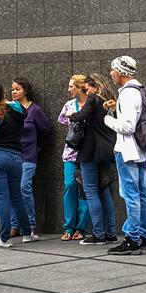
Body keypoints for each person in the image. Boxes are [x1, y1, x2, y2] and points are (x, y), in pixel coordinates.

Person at [104, 56, 146, 256]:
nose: (111, 74)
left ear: (121, 72)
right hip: (142, 151)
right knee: (142, 195)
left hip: (127, 152)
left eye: (112, 70)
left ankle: (132, 239)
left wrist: (108, 119)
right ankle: (145, 236)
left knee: (131, 196)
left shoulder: (127, 94)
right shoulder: (140, 90)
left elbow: (127, 126)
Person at [0, 81, 38, 247]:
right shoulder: (17, 108)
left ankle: (4, 238)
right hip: (16, 157)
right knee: (17, 197)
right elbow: (23, 112)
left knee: (2, 197)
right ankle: (27, 233)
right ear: (3, 92)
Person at [69, 74, 119, 245]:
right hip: (106, 151)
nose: (86, 90)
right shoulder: (109, 100)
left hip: (90, 150)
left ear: (95, 87)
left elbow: (82, 115)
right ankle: (111, 233)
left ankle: (98, 234)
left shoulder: (93, 99)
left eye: (88, 87)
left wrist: (72, 115)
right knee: (104, 191)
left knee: (90, 191)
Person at [12, 78, 52, 236]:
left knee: (24, 188)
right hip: (13, 155)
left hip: (29, 156)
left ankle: (30, 224)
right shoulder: (10, 109)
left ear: (25, 91)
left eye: (17, 89)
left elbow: (47, 130)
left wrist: (37, 147)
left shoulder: (35, 110)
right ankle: (14, 225)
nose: (14, 92)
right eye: (12, 89)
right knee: (13, 190)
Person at [58, 75, 90, 241]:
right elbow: (65, 124)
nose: (69, 89)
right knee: (70, 186)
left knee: (85, 190)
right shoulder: (69, 105)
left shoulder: (91, 103)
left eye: (72, 86)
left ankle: (81, 227)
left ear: (79, 87)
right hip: (71, 152)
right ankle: (69, 226)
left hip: (87, 153)